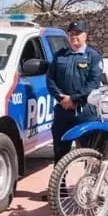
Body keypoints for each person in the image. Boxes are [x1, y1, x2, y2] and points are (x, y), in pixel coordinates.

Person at [45, 20, 103, 197]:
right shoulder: (60, 55)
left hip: (85, 111)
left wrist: (75, 98)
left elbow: (93, 83)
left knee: (90, 154)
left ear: (85, 36)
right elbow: (50, 80)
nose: (74, 37)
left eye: (77, 34)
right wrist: (61, 98)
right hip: (63, 110)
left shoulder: (93, 56)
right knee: (60, 152)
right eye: (71, 34)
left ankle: (93, 189)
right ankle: (58, 190)